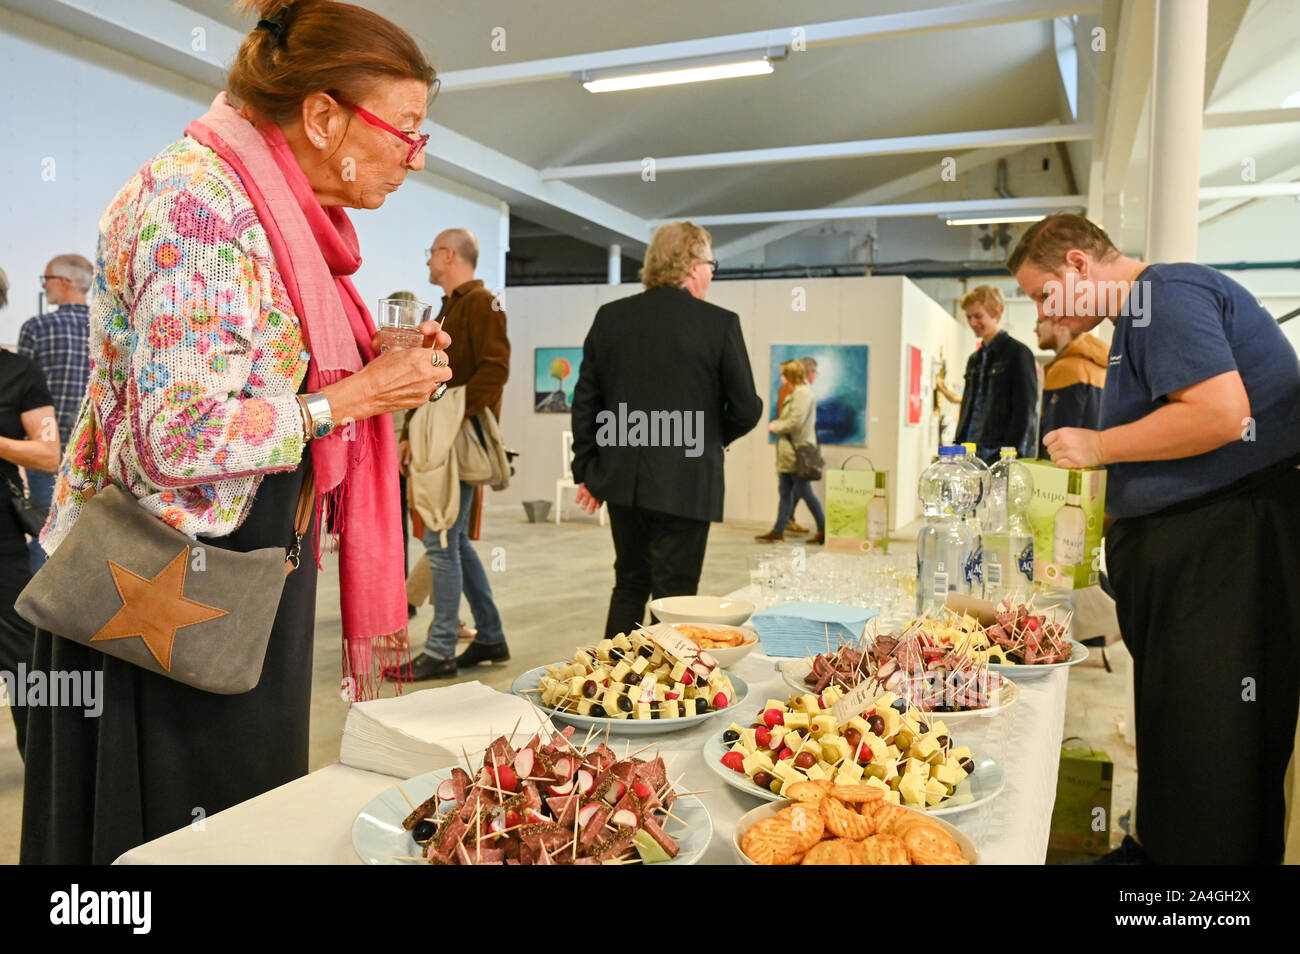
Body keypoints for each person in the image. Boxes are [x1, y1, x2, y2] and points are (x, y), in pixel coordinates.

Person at [20, 0, 452, 865]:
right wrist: (351, 399)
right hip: (159, 589)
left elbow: (259, 373)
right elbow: (176, 438)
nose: (414, 155)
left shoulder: (280, 218)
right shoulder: (200, 204)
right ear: (324, 115)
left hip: (243, 576)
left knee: (244, 820)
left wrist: (372, 371)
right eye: (406, 130)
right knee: (180, 839)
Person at [1009, 212, 1300, 865]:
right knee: (1182, 736)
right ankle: (1160, 851)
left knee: (1216, 744)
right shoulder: (1134, 323)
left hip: (1227, 558)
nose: (1041, 312)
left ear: (1079, 266)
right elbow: (1163, 455)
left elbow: (1222, 413)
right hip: (1198, 558)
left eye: (1040, 293)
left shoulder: (1162, 293)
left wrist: (1100, 444)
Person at [571, 222, 761, 637]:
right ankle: (666, 696)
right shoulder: (719, 324)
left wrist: (588, 470)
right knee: (675, 594)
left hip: (623, 481)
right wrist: (710, 436)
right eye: (711, 264)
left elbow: (586, 400)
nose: (712, 273)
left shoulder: (611, 318)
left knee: (630, 583)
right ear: (693, 265)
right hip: (688, 481)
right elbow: (746, 407)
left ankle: (610, 686)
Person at [387, 228, 510, 681]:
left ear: (448, 254)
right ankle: (491, 635)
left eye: (432, 254)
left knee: (440, 541)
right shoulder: (454, 305)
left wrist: (450, 416)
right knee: (451, 541)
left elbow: (496, 370)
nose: (428, 263)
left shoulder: (480, 304)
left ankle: (440, 649)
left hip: (455, 441)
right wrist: (419, 428)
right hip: (446, 435)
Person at [0, 277, 61, 760]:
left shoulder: (17, 371)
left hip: (1, 537)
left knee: (22, 663)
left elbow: (46, 453)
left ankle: (44, 769)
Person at [17, 254, 93, 571]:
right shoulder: (107, 328)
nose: (44, 286)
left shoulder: (37, 327)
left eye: (46, 279)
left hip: (45, 450)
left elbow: (17, 390)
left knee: (43, 531)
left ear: (64, 282)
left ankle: (36, 612)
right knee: (91, 535)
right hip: (93, 455)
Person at [951, 285, 1038, 463]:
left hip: (997, 453)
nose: (973, 323)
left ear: (997, 312)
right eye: (968, 317)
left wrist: (1009, 456)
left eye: (978, 316)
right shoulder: (974, 360)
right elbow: (968, 405)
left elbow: (1025, 410)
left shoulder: (1018, 354)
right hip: (968, 452)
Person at [756, 359, 825, 545]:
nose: (781, 377)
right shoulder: (797, 393)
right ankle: (779, 530)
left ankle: (824, 529)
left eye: (783, 374)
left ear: (790, 375)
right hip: (790, 453)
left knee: (804, 492)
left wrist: (776, 426)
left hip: (796, 453)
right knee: (786, 492)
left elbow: (796, 421)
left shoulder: (802, 394)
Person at [1034, 313, 1107, 459]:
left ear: (1061, 327)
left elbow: (1057, 440)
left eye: (1040, 322)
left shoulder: (1065, 369)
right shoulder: (1099, 364)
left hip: (1068, 473)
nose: (1035, 330)